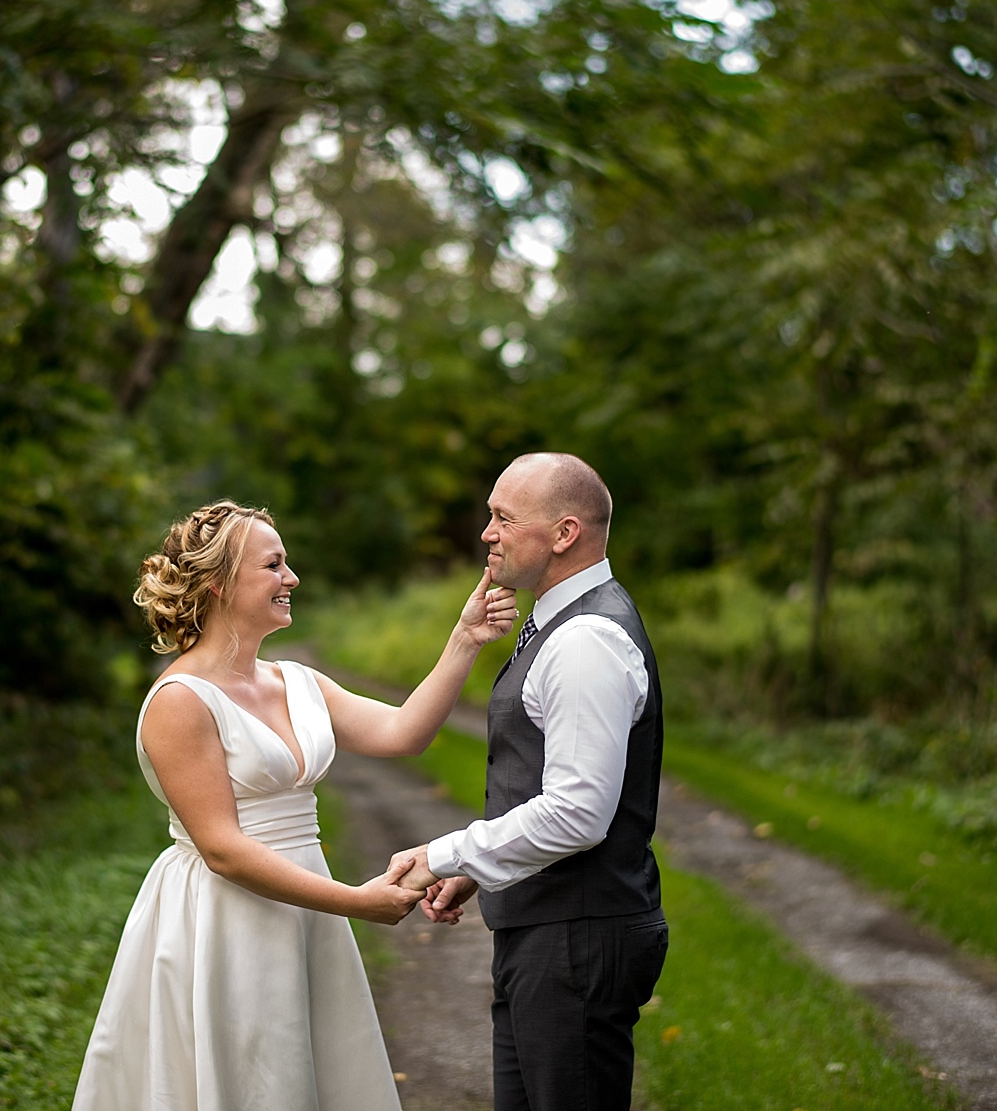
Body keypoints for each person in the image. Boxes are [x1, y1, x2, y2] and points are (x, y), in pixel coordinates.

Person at [72, 499, 518, 1111]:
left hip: (307, 902)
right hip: (226, 920)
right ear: (223, 585)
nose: (292, 578)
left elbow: (404, 733)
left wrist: (465, 638)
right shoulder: (181, 700)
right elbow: (223, 850)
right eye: (274, 565)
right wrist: (358, 902)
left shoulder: (299, 682)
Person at [393, 453, 669, 1111]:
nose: (486, 532)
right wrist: (485, 870)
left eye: (501, 517)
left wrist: (445, 854)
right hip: (552, 930)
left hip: (575, 939)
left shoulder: (585, 641)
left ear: (564, 533)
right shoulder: (558, 622)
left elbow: (577, 814)